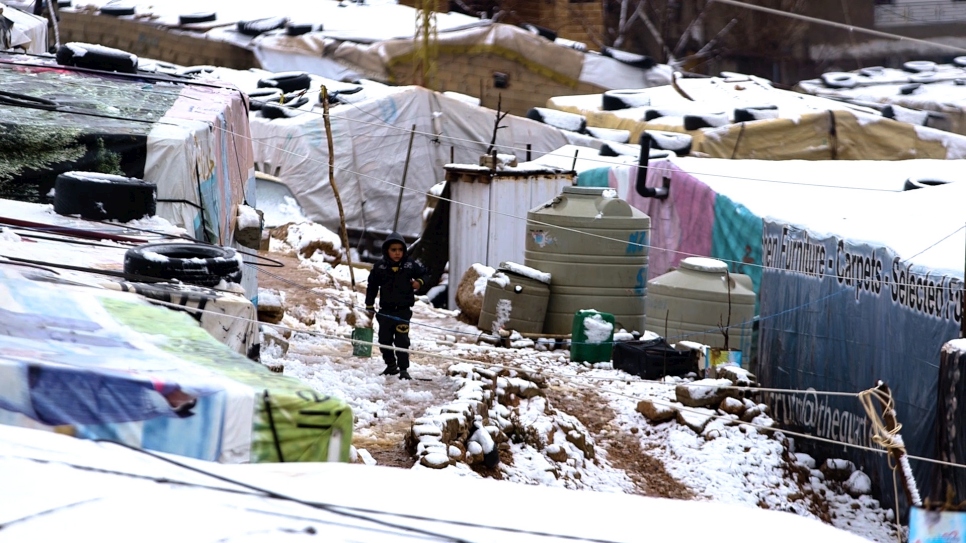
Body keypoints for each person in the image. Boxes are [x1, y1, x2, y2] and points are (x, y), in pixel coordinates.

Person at [365, 232, 428, 380]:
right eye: (393, 250)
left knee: (402, 341)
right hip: (385, 312)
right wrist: (369, 305)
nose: (397, 253)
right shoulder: (379, 267)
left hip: (403, 312)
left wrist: (419, 282)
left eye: (400, 249)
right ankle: (391, 365)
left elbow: (425, 274)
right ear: (387, 250)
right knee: (384, 340)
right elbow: (372, 286)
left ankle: (404, 369)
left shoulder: (410, 264)